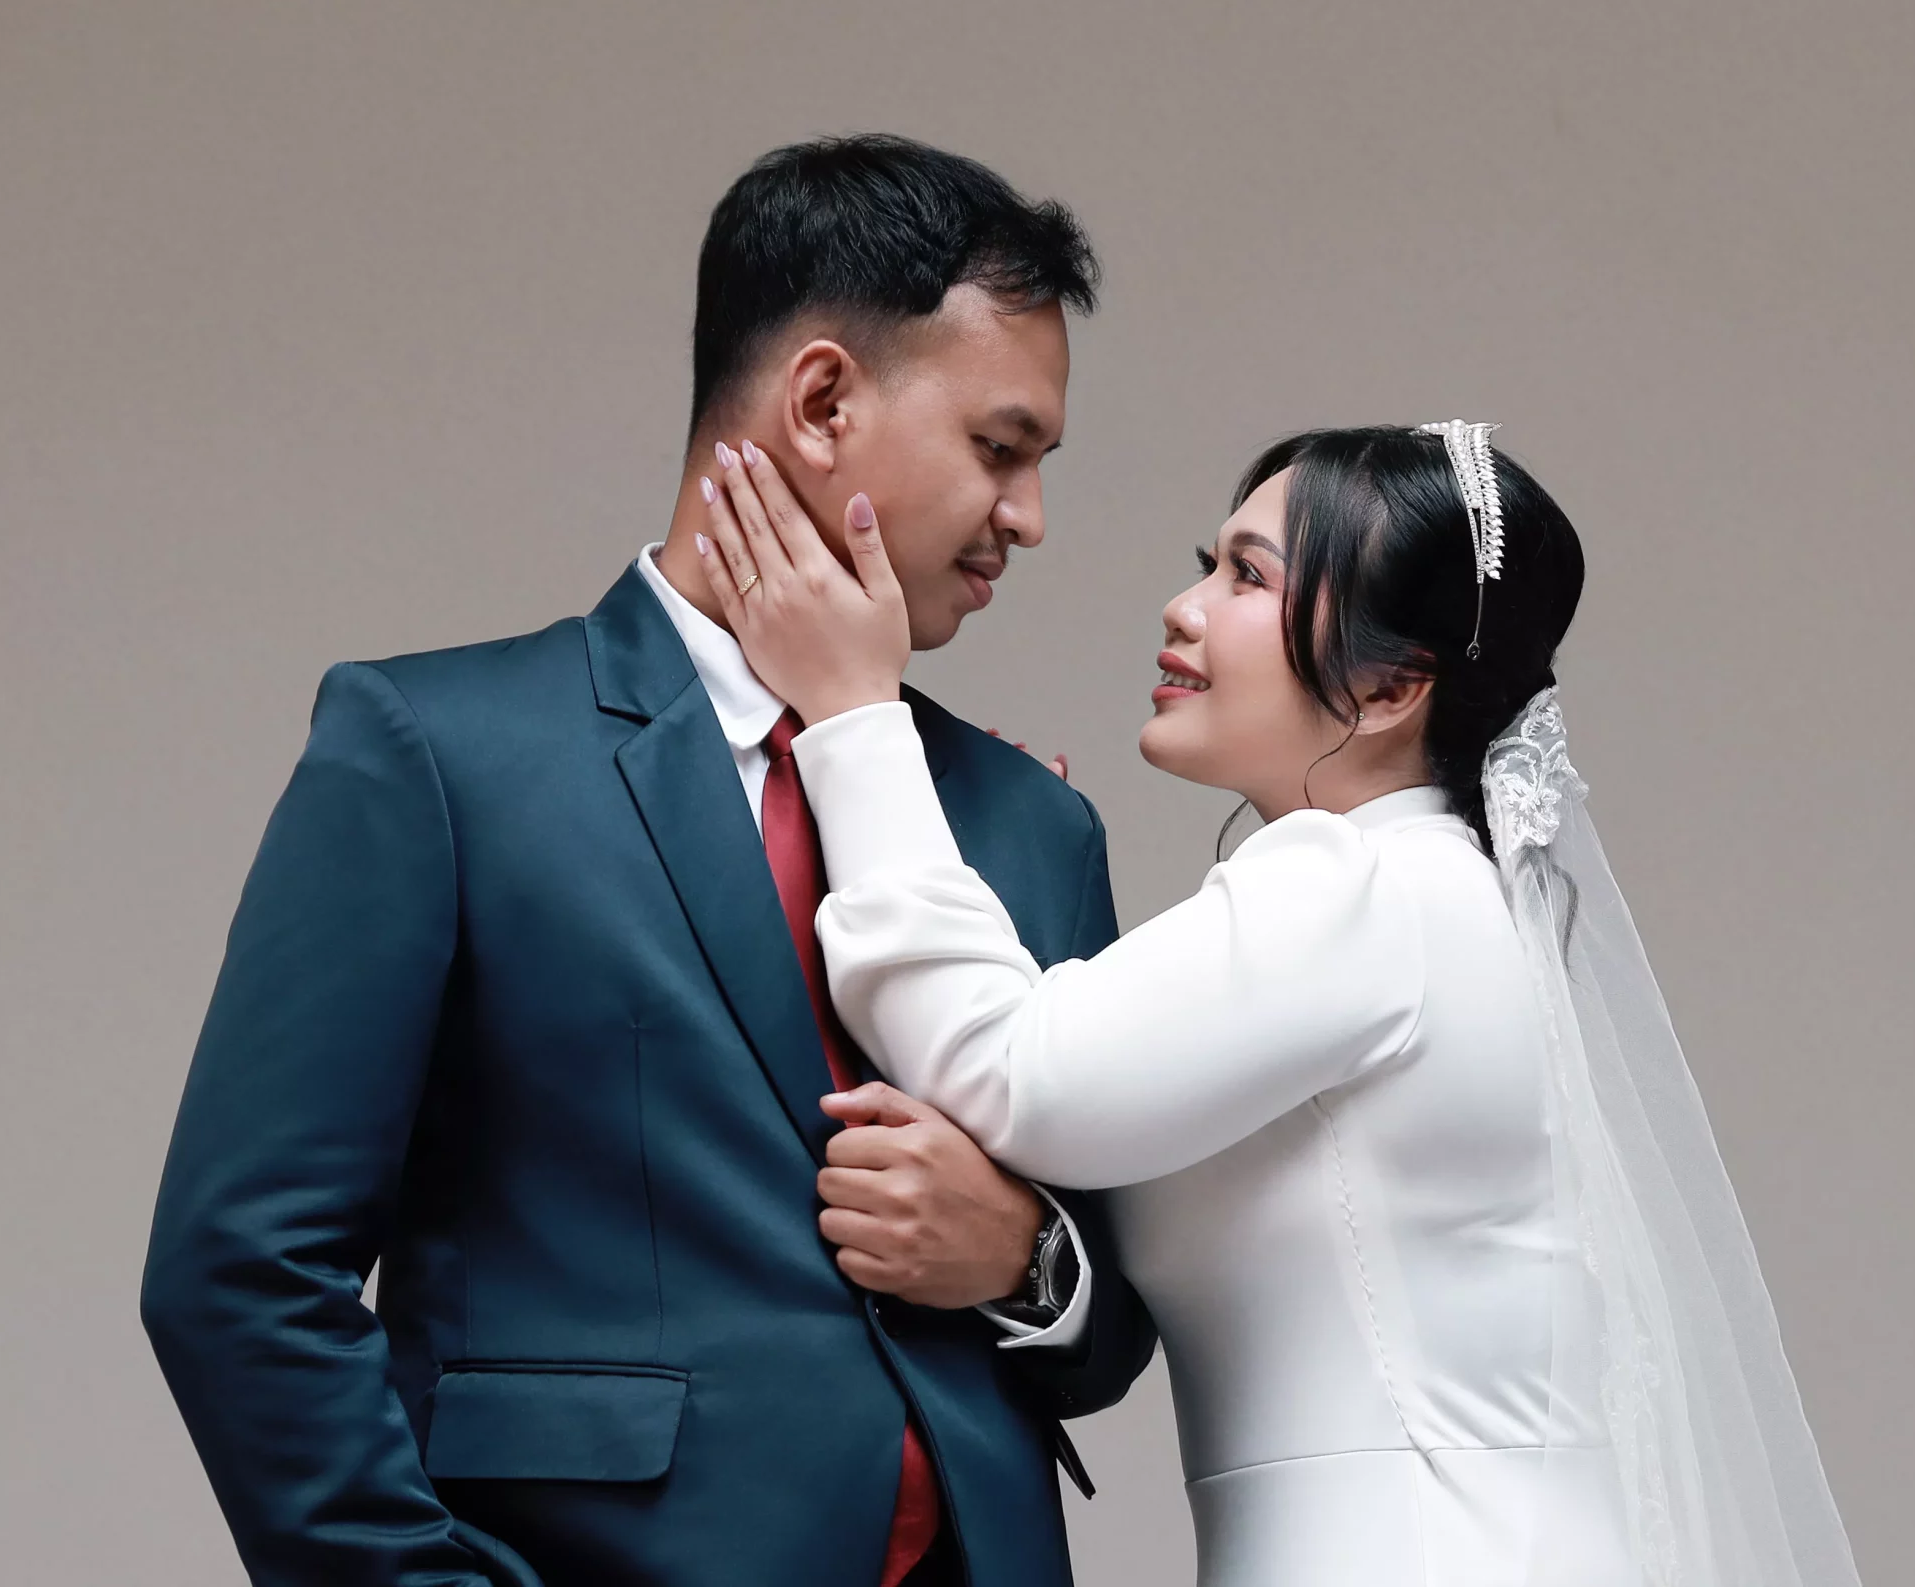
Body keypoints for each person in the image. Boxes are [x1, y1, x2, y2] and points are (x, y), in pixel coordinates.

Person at [139, 136, 1157, 1587]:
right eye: (1001, 448)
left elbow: (1117, 1317)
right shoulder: (442, 756)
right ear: (822, 400)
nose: (1029, 520)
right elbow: (242, 1271)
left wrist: (1023, 1259)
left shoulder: (1027, 825)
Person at [692, 424, 1862, 1587]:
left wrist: (853, 717)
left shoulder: (1366, 889)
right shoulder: (1425, 893)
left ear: (1393, 685)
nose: (1183, 608)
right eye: (1209, 564)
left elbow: (1012, 1073)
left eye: (1247, 577)